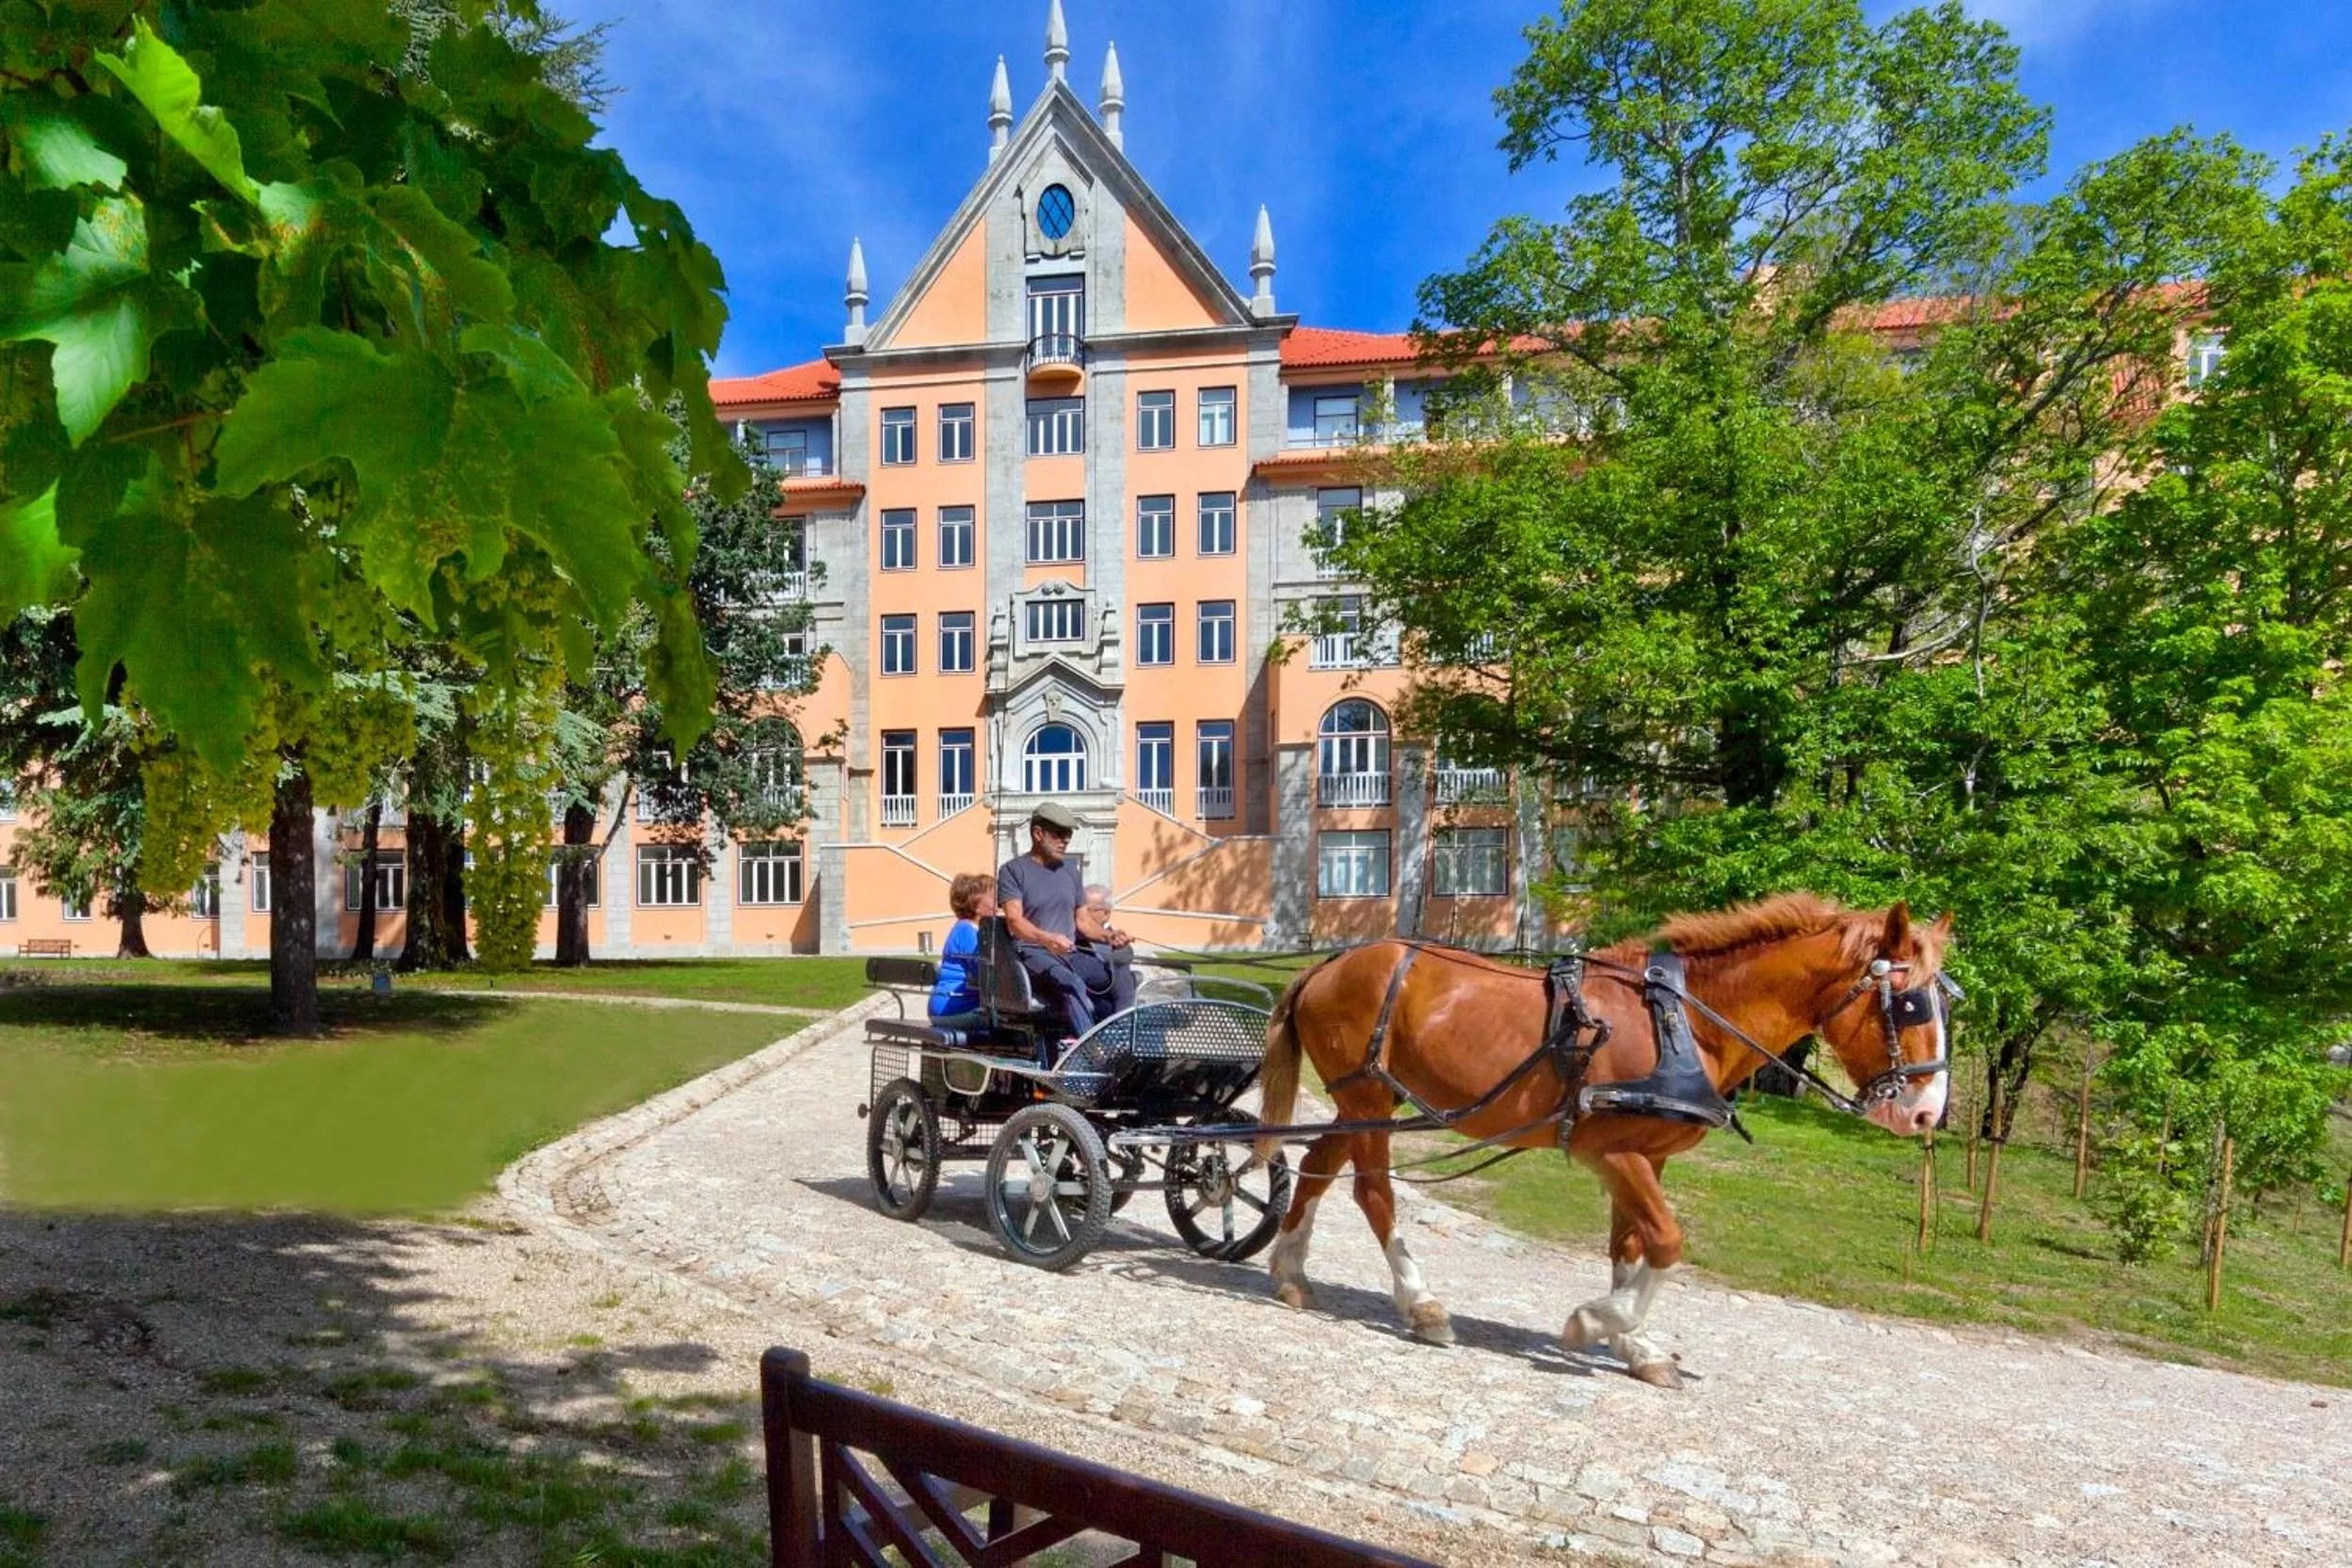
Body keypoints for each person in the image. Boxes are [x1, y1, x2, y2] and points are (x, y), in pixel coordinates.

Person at [997, 802, 1135, 1046]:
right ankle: (1091, 1051)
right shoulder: (1013, 871)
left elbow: (1082, 921)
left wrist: (1108, 937)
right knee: (1070, 983)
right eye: (1059, 834)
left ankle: (1122, 1038)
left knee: (1121, 971)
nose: (1066, 840)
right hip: (1033, 955)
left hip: (1069, 954)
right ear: (1038, 834)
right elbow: (1014, 921)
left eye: (1069, 835)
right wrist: (1047, 939)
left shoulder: (1070, 871)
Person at [928, 872, 995, 1019]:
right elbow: (985, 972)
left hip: (956, 1005)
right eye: (993, 897)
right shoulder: (967, 930)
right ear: (976, 905)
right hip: (955, 1007)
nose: (998, 902)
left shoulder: (967, 929)